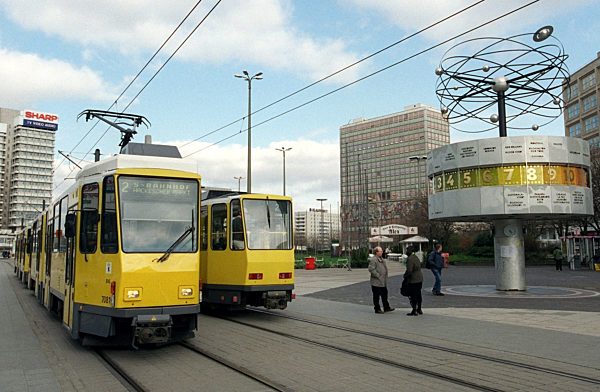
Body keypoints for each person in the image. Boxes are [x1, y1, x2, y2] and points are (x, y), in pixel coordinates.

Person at [368, 246, 394, 314]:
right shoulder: (373, 259)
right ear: (376, 252)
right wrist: (378, 275)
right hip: (376, 282)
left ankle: (386, 307)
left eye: (382, 251)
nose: (382, 252)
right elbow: (371, 269)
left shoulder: (382, 259)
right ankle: (377, 308)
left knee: (384, 295)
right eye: (380, 251)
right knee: (376, 296)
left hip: (383, 282)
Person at [404, 245, 423, 316]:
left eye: (407, 250)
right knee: (418, 294)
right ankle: (419, 309)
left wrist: (405, 276)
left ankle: (414, 310)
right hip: (419, 278)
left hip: (414, 279)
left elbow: (409, 270)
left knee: (413, 295)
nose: (406, 252)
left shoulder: (410, 259)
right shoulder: (416, 257)